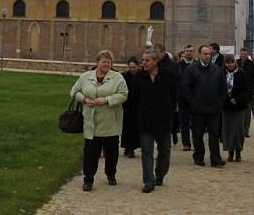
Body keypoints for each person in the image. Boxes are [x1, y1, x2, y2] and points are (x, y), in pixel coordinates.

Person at [70, 50, 129, 191]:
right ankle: (88, 179)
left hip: (110, 122)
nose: (106, 64)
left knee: (111, 152)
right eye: (104, 61)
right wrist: (84, 99)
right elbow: (74, 91)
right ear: (97, 62)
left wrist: (107, 100)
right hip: (91, 122)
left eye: (109, 62)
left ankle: (111, 174)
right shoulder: (85, 77)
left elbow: (123, 95)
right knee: (90, 153)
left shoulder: (118, 77)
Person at [131, 48, 177, 193]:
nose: (144, 63)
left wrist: (169, 111)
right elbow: (134, 98)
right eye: (143, 60)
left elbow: (174, 95)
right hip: (145, 120)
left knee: (164, 151)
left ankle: (160, 174)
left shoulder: (168, 75)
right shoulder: (139, 77)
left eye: (147, 60)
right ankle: (148, 181)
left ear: (156, 61)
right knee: (147, 151)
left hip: (163, 120)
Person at [181, 44, 226, 167]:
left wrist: (220, 102)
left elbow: (223, 88)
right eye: (205, 54)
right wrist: (193, 102)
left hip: (214, 108)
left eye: (209, 54)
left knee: (214, 135)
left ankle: (215, 159)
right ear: (199, 55)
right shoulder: (191, 69)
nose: (207, 56)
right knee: (197, 134)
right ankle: (199, 157)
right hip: (197, 109)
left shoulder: (217, 69)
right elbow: (185, 88)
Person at [222, 54, 249, 162]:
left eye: (232, 62)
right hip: (226, 106)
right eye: (227, 63)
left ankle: (238, 152)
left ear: (235, 62)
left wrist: (237, 99)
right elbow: (220, 88)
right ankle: (230, 151)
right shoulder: (221, 73)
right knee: (227, 130)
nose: (230, 65)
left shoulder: (241, 73)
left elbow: (246, 90)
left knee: (238, 130)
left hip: (239, 106)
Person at [176, 44, 196, 151]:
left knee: (196, 122)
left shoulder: (198, 65)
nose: (189, 52)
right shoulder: (178, 65)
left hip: (196, 98)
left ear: (194, 52)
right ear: (184, 52)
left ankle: (196, 142)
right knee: (184, 122)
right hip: (183, 98)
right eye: (187, 51)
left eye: (191, 51)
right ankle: (186, 143)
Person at [121, 57, 141, 158]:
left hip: (138, 106)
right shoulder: (124, 76)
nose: (132, 69)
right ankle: (127, 146)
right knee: (126, 127)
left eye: (134, 67)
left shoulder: (141, 76)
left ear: (138, 66)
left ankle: (132, 148)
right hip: (127, 105)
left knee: (135, 128)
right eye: (130, 67)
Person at [237, 47, 254, 137]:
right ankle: (239, 129)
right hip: (237, 92)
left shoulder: (252, 64)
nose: (243, 56)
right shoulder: (236, 63)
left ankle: (246, 130)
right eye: (242, 54)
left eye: (245, 54)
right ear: (240, 54)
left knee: (247, 113)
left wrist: (253, 90)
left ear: (247, 54)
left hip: (248, 93)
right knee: (238, 112)